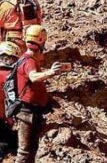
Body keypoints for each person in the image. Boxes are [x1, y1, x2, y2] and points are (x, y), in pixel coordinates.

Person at [11, 25, 71, 163]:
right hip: (27, 111)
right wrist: (50, 72)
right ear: (42, 41)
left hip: (30, 110)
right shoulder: (29, 61)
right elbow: (33, 77)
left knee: (31, 149)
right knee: (25, 151)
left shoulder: (26, 59)